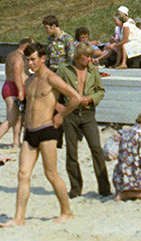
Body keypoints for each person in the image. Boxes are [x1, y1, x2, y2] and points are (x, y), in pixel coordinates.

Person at [0, 42, 83, 226]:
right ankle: (19, 218)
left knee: (51, 173)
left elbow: (76, 98)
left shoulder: (52, 78)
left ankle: (66, 211)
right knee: (22, 174)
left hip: (47, 130)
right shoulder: (29, 81)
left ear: (43, 59)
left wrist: (61, 115)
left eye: (33, 60)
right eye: (28, 60)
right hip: (30, 132)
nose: (30, 63)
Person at [59, 43, 112, 199]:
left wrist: (91, 99)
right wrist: (59, 108)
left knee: (96, 148)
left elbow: (100, 91)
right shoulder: (64, 70)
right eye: (86, 56)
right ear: (78, 56)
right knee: (71, 151)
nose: (89, 59)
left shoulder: (92, 70)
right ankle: (75, 188)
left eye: (91, 56)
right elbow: (54, 91)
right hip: (70, 114)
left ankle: (104, 187)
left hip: (88, 113)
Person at [0, 38, 31, 149]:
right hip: (14, 87)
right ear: (26, 45)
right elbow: (17, 74)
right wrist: (21, 91)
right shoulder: (19, 57)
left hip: (9, 85)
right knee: (11, 118)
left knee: (18, 117)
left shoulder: (11, 54)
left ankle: (16, 142)